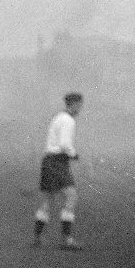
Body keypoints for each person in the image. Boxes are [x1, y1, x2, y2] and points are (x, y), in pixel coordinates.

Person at [34, 93, 84, 250]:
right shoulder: (68, 120)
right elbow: (64, 144)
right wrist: (74, 154)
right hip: (58, 162)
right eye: (80, 105)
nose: (81, 109)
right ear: (74, 104)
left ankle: (38, 236)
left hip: (48, 161)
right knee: (71, 196)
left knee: (48, 200)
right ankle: (67, 239)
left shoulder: (58, 117)